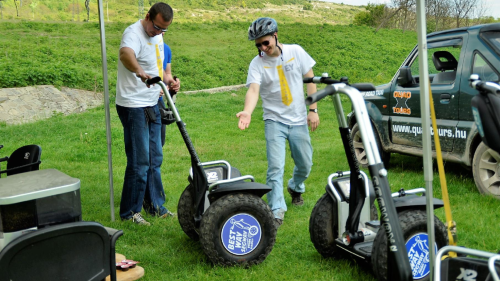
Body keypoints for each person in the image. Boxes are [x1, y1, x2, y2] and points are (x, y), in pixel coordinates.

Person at [236, 17, 320, 227]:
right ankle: (277, 211)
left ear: (275, 36)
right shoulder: (257, 63)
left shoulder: (296, 52)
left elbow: (310, 80)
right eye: (259, 45)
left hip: (299, 119)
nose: (263, 48)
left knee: (305, 164)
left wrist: (313, 110)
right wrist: (247, 111)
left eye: (266, 43)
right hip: (274, 120)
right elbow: (253, 90)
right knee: (275, 167)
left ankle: (296, 186)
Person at [115, 2, 177, 225]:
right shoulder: (133, 33)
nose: (158, 32)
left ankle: (155, 206)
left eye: (163, 29)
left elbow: (158, 67)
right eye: (156, 27)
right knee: (140, 160)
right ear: (148, 16)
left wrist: (169, 81)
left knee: (155, 158)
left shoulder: (158, 36)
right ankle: (130, 213)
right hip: (133, 105)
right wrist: (140, 72)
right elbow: (125, 54)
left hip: (153, 103)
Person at [158, 40, 180, 147]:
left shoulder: (166, 49)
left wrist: (172, 84)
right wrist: (154, 89)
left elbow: (167, 73)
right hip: (141, 104)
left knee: (159, 143)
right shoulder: (147, 47)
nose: (161, 33)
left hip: (158, 101)